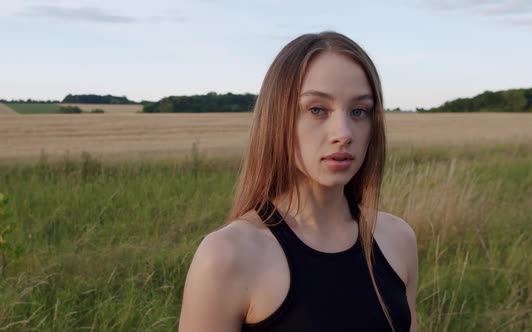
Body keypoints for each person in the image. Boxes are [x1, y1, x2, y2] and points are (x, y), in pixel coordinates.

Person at [178, 31, 418, 332]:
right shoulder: (228, 256)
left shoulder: (397, 239)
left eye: (360, 111)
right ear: (278, 118)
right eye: (317, 109)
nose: (344, 132)